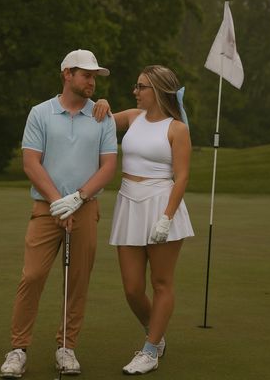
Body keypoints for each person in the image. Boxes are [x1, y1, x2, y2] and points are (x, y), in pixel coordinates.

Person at [0, 49, 117, 379]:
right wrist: (57, 202)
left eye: (95, 76)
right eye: (86, 75)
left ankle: (66, 347)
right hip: (46, 209)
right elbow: (31, 162)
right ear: (67, 74)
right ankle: (18, 349)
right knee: (32, 276)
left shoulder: (102, 116)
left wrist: (77, 199)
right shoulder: (40, 113)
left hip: (86, 208)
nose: (92, 81)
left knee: (77, 282)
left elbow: (108, 167)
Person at [93, 64, 194, 375]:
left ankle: (150, 348)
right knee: (133, 288)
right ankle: (157, 333)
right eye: (136, 86)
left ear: (159, 91)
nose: (135, 92)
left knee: (161, 283)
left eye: (141, 87)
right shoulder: (133, 118)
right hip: (129, 203)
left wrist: (167, 218)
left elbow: (182, 177)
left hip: (161, 205)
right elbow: (101, 121)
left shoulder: (177, 128)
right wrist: (102, 103)